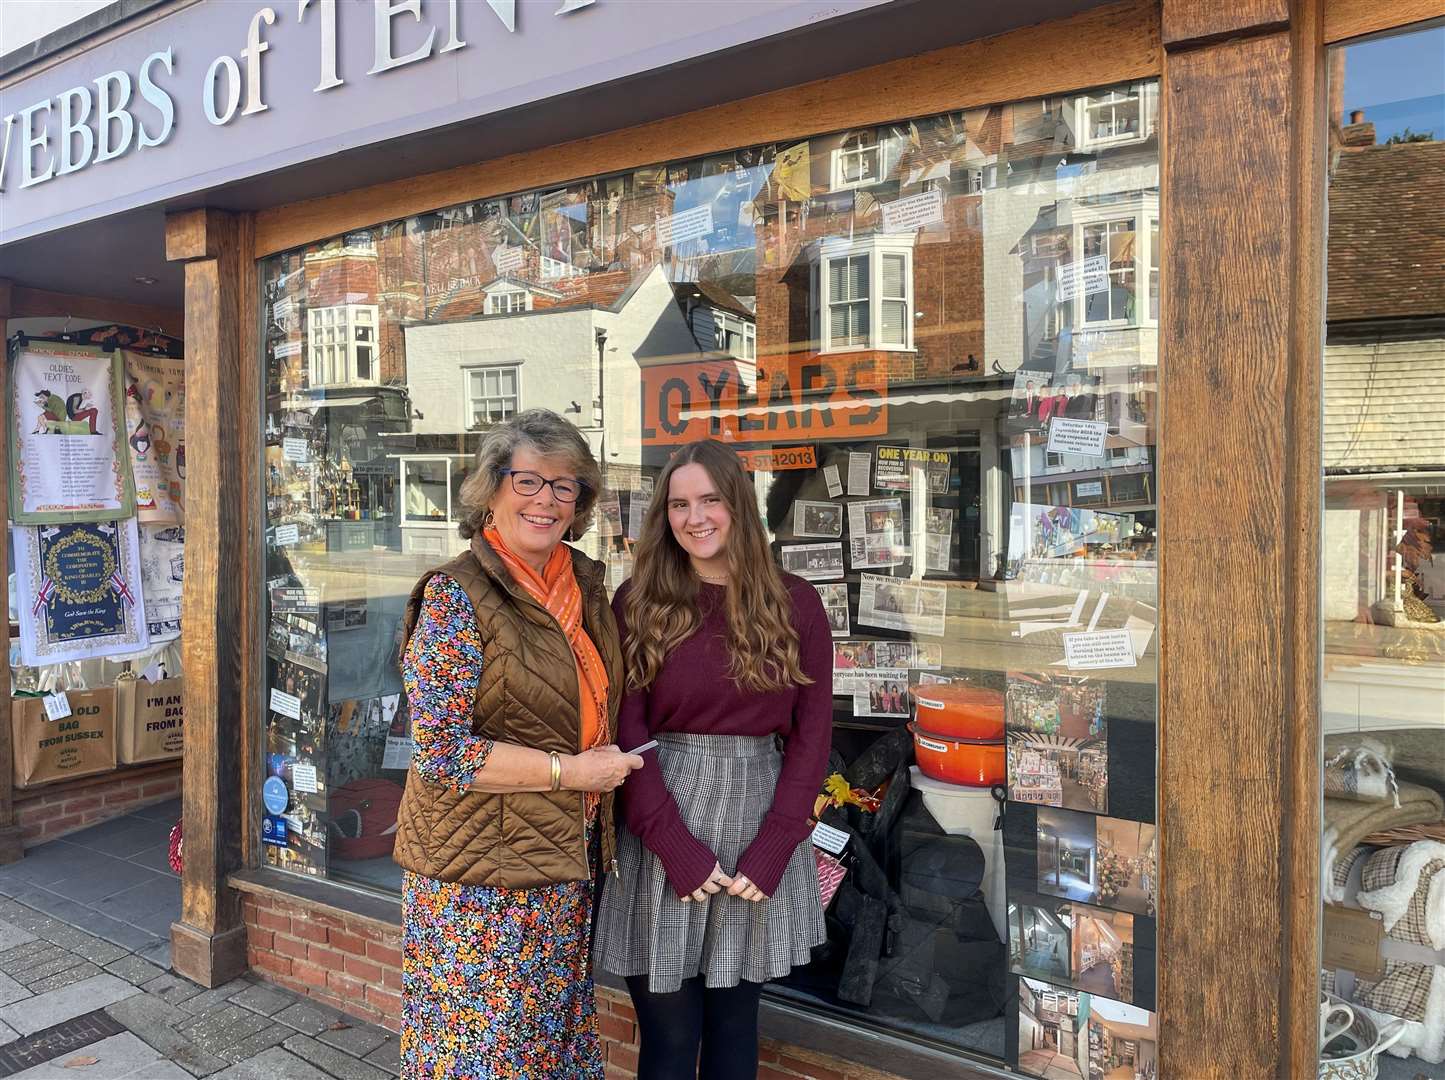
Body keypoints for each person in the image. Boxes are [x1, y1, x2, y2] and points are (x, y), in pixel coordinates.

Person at [392, 409, 644, 1079]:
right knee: (480, 1050)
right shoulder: (456, 595)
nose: (546, 500)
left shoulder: (584, 588)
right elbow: (442, 750)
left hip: (562, 853)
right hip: (479, 872)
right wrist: (570, 773)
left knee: (546, 1040)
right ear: (491, 489)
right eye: (528, 480)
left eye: (565, 487)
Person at [595, 438, 832, 1080]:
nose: (694, 517)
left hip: (758, 823)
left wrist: (777, 843)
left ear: (739, 506)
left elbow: (812, 736)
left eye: (710, 500)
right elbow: (628, 728)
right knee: (670, 1041)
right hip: (661, 822)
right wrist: (672, 841)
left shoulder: (795, 603)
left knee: (734, 1032)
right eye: (678, 504)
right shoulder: (639, 600)